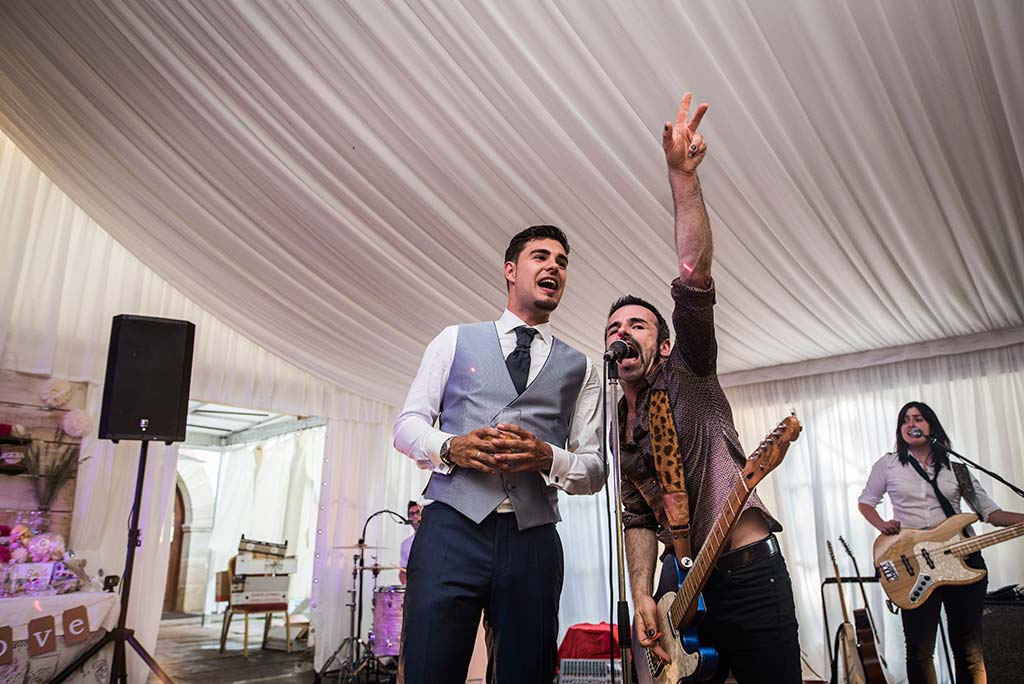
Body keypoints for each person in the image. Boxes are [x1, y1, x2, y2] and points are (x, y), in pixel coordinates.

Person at [609, 92, 802, 683]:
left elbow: (694, 273)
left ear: (663, 344)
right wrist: (643, 595)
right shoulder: (620, 421)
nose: (622, 334)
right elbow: (638, 516)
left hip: (747, 571)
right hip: (682, 587)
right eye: (613, 328)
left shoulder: (688, 369)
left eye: (636, 325)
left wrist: (681, 179)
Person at [393, 224, 605, 684]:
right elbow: (407, 426)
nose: (554, 266)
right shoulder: (453, 339)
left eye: (562, 262)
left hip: (533, 541)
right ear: (511, 270)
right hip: (451, 529)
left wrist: (547, 456)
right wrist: (452, 447)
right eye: (541, 256)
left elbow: (593, 469)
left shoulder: (583, 367)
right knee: (429, 668)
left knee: (527, 674)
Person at [858, 401, 1024, 684]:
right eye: (905, 420)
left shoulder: (957, 469)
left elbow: (991, 514)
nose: (912, 424)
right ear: (900, 430)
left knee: (970, 649)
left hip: (962, 558)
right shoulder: (888, 464)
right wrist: (882, 525)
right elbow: (866, 503)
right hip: (913, 563)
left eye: (919, 419)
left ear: (930, 426)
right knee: (920, 651)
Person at [399, 500, 421, 585]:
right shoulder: (406, 544)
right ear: (408, 518)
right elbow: (403, 571)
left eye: (418, 513)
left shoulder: (434, 539)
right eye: (412, 514)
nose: (415, 516)